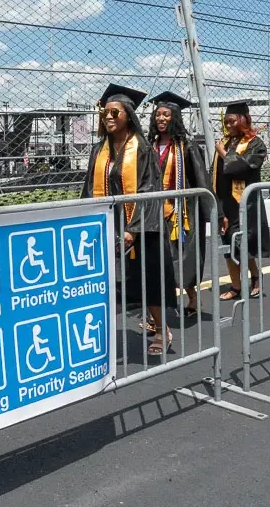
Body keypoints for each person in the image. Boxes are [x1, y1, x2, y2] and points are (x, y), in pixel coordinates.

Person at [81, 84, 177, 357]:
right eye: (105, 113)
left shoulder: (142, 149)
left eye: (114, 112)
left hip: (142, 227)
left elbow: (149, 190)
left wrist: (133, 229)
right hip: (110, 225)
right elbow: (90, 188)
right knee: (110, 282)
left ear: (128, 116)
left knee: (147, 280)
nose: (108, 117)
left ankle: (161, 330)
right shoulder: (101, 149)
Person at [147, 91, 209, 318]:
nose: (161, 119)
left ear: (175, 118)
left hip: (180, 213)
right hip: (153, 212)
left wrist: (213, 211)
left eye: (166, 115)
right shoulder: (149, 146)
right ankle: (157, 310)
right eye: (158, 115)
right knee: (155, 260)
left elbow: (201, 179)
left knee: (180, 260)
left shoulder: (186, 146)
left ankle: (192, 296)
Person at [213, 101, 270, 298]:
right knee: (229, 245)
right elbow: (218, 175)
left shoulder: (255, 144)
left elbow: (243, 168)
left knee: (243, 245)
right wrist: (218, 207)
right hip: (226, 203)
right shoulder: (226, 142)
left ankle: (255, 276)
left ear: (243, 120)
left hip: (246, 203)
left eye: (232, 121)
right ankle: (236, 286)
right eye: (226, 122)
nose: (228, 126)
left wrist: (222, 153)